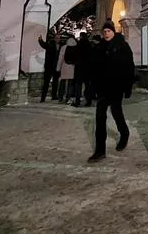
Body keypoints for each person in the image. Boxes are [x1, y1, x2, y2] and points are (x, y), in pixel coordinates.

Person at [88, 21, 135, 163]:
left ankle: (124, 133)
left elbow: (129, 67)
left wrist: (127, 87)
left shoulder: (122, 46)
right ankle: (100, 150)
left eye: (109, 31)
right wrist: (93, 86)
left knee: (116, 112)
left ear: (113, 32)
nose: (106, 34)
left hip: (116, 86)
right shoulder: (100, 47)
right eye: (104, 32)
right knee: (100, 117)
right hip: (103, 88)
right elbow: (94, 68)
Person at [37, 32, 60, 102]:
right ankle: (43, 98)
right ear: (54, 38)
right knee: (46, 82)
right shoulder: (50, 43)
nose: (58, 39)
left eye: (59, 38)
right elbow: (44, 45)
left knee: (55, 82)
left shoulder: (61, 45)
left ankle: (54, 96)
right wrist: (40, 40)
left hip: (56, 67)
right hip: (49, 66)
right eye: (56, 38)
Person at [57, 32, 78, 102]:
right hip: (72, 67)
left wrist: (58, 68)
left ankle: (60, 97)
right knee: (70, 84)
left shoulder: (64, 47)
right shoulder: (76, 47)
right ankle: (68, 98)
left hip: (64, 67)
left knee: (62, 82)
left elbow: (60, 58)